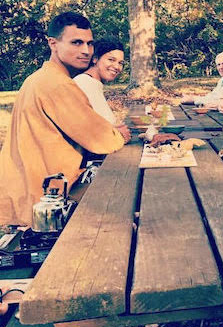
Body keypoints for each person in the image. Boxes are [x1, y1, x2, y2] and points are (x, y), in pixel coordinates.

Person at [0, 12, 128, 226]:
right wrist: (118, 134)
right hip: (46, 198)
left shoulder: (39, 78)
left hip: (22, 191)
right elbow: (104, 140)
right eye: (76, 43)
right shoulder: (58, 84)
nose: (86, 51)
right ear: (53, 43)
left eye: (89, 43)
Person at [73, 38, 126, 126]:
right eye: (111, 60)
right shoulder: (84, 83)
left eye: (120, 63)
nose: (117, 66)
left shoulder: (93, 84)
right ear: (95, 59)